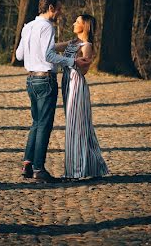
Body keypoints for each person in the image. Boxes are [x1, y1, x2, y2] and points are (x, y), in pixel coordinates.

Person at [15, 0, 88, 183]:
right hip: (46, 80)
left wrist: (66, 44)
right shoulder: (47, 26)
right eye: (59, 9)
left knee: (36, 123)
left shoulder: (28, 26)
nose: (60, 13)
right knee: (44, 125)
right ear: (50, 9)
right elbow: (49, 56)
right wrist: (72, 60)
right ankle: (39, 169)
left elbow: (20, 54)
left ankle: (28, 164)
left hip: (31, 80)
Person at [59, 14, 108, 180]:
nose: (74, 23)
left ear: (85, 26)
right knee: (75, 123)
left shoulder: (87, 45)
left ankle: (76, 170)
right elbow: (52, 47)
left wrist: (67, 61)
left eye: (77, 22)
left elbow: (84, 69)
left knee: (77, 125)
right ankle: (91, 167)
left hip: (76, 84)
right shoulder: (73, 43)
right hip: (67, 83)